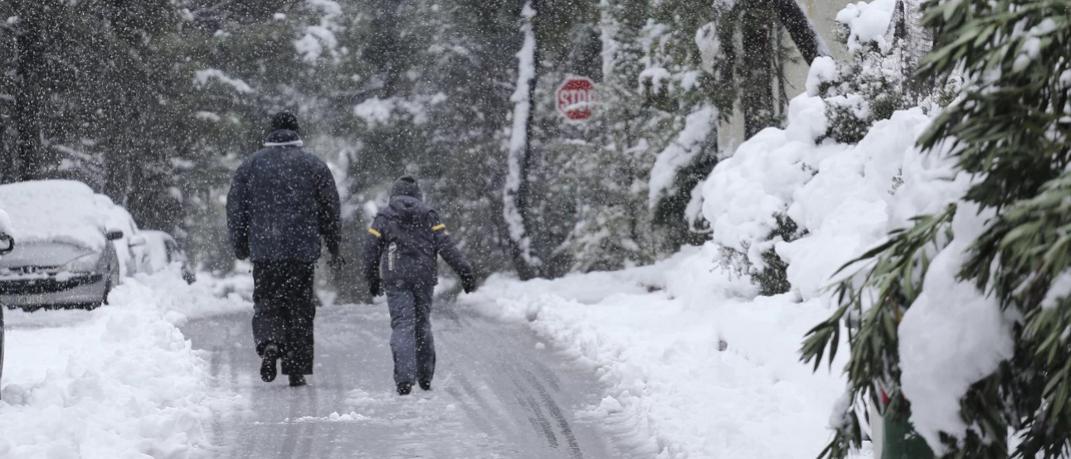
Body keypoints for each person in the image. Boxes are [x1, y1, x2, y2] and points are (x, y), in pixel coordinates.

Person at [227, 111, 343, 388]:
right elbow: (330, 207)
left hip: (265, 250)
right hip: (301, 251)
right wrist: (333, 242)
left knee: (267, 301)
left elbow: (236, 209)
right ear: (296, 133)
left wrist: (241, 243)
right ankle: (296, 367)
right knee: (300, 307)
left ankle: (269, 343)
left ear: (271, 133)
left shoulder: (250, 166)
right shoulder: (314, 165)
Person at [363, 176, 477, 395]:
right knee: (422, 323)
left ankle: (404, 379)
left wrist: (372, 278)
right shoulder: (429, 215)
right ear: (418, 196)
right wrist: (465, 271)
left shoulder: (385, 216)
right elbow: (446, 245)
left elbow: (371, 248)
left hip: (395, 277)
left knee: (402, 324)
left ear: (393, 195)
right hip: (424, 278)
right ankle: (425, 377)